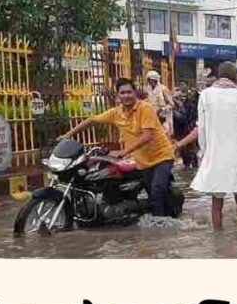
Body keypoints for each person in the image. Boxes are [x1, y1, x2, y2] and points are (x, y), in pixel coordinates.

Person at [60, 78, 177, 217]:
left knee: (157, 190)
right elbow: (91, 120)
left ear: (135, 93)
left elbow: (147, 136)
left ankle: (162, 225)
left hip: (162, 156)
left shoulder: (145, 108)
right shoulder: (116, 113)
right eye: (122, 93)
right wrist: (67, 135)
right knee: (150, 192)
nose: (126, 95)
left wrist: (124, 152)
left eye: (129, 92)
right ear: (118, 95)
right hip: (142, 160)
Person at [180, 62, 237, 231]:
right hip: (236, 154)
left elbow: (201, 128)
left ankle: (218, 237)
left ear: (219, 75)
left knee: (217, 202)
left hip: (215, 154)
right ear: (235, 76)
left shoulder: (206, 95)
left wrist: (204, 153)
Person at [172, 89, 198, 168]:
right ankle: (187, 166)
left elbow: (182, 118)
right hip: (179, 132)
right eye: (177, 97)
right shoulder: (174, 106)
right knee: (183, 152)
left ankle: (193, 166)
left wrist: (174, 111)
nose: (180, 99)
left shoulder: (189, 105)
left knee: (189, 151)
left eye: (183, 97)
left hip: (187, 131)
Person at [145, 70, 173, 136]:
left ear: (156, 80)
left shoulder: (163, 89)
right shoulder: (148, 89)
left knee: (165, 133)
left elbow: (171, 104)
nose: (150, 81)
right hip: (152, 115)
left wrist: (162, 109)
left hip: (163, 116)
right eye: (149, 80)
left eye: (151, 80)